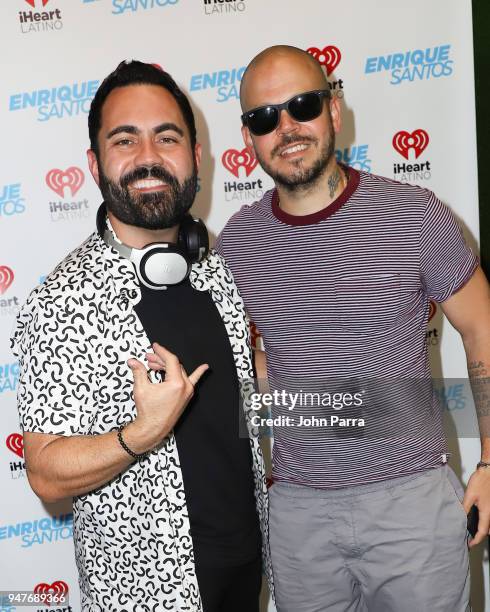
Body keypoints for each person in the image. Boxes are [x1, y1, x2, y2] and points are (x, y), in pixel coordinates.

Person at [216, 45, 490, 612]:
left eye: (303, 105)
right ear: (248, 140)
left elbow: (482, 328)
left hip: (410, 505)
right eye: (265, 118)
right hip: (297, 517)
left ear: (334, 111)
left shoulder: (414, 213)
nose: (286, 127)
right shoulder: (238, 244)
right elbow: (249, 371)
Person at [11, 61, 273, 612]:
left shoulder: (219, 269)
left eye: (167, 137)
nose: (148, 157)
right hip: (148, 594)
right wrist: (141, 432)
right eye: (124, 140)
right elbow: (44, 473)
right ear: (94, 163)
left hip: (251, 572)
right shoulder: (62, 299)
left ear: (196, 157)